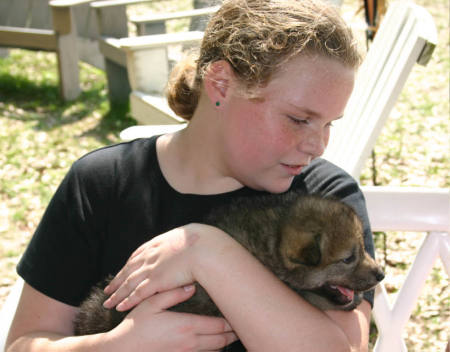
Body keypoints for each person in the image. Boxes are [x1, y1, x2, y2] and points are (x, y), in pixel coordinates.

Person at [6, 0, 376, 350]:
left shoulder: (324, 205)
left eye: (329, 123)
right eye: (299, 119)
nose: (318, 145)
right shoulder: (103, 183)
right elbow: (25, 342)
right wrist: (114, 347)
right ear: (221, 85)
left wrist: (205, 250)